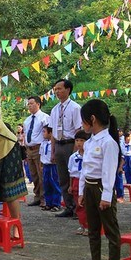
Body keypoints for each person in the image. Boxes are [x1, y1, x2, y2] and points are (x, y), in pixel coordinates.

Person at [78, 99, 121, 260]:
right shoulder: (89, 143)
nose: (82, 125)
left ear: (92, 119)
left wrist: (106, 196)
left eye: (83, 120)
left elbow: (109, 171)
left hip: (102, 187)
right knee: (92, 228)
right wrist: (81, 191)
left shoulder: (108, 142)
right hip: (89, 187)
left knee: (110, 228)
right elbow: (85, 169)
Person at [49, 79, 82, 218]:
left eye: (59, 89)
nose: (57, 91)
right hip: (59, 144)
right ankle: (69, 206)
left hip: (71, 144)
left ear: (68, 90)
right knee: (62, 177)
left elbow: (78, 130)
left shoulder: (75, 108)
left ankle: (78, 208)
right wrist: (52, 151)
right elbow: (53, 133)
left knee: (74, 177)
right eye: (55, 89)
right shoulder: (55, 109)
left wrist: (77, 150)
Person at [24, 96, 50, 207]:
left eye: (31, 103)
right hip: (29, 149)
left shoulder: (44, 117)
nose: (29, 106)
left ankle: (45, 198)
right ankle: (37, 196)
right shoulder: (27, 120)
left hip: (40, 148)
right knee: (33, 174)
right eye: (28, 104)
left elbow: (48, 133)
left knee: (41, 174)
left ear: (38, 104)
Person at [69, 131, 89, 235]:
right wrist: (70, 185)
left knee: (87, 205)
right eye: (77, 140)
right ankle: (82, 225)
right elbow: (71, 172)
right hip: (76, 181)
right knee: (78, 205)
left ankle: (88, 226)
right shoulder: (73, 157)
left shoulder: (89, 155)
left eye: (82, 140)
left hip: (87, 181)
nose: (79, 143)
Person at [40, 126, 61, 212]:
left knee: (54, 184)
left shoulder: (54, 144)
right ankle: (48, 203)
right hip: (45, 166)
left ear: (50, 133)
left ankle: (56, 204)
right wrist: (41, 165)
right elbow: (41, 155)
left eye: (44, 132)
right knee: (46, 184)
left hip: (52, 166)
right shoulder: (43, 143)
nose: (43, 133)